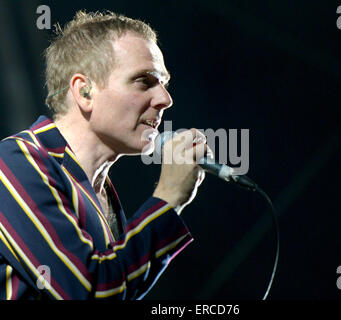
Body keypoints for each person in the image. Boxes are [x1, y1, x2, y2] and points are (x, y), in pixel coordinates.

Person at [0, 10, 210, 300]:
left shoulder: (104, 195)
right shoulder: (14, 161)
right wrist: (168, 197)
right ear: (85, 92)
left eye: (164, 83)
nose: (165, 99)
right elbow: (89, 291)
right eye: (144, 81)